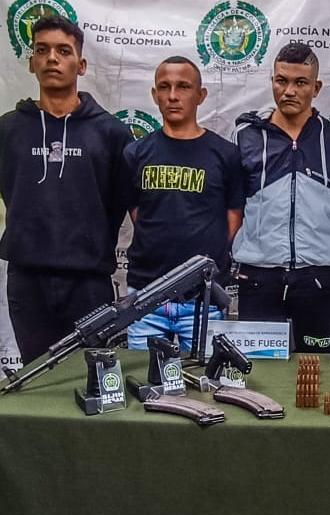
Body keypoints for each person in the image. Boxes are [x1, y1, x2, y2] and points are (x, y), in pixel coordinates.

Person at [0, 16, 136, 364]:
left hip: (88, 280)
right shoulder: (7, 130)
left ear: (81, 64)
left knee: (94, 377)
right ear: (31, 62)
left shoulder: (111, 133)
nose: (52, 58)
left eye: (63, 51)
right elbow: (13, 191)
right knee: (37, 378)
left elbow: (118, 202)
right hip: (28, 279)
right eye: (42, 50)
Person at [231, 42, 330, 353]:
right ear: (272, 81)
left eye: (300, 83)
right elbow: (231, 208)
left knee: (317, 372)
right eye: (281, 80)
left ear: (317, 87)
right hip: (258, 277)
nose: (289, 90)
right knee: (255, 369)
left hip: (317, 279)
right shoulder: (245, 137)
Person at [122, 56, 244, 351]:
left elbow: (233, 217)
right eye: (164, 87)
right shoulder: (135, 153)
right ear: (154, 95)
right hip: (145, 298)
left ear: (200, 95)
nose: (173, 95)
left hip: (202, 298)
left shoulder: (226, 154)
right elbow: (138, 213)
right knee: (142, 387)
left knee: (205, 390)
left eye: (183, 87)